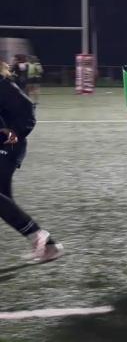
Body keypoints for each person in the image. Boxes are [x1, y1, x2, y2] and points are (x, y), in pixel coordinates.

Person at [0, 61, 64, 262]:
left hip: (8, 146)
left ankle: (39, 236)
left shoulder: (3, 85)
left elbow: (27, 111)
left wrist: (14, 132)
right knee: (4, 203)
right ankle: (49, 246)